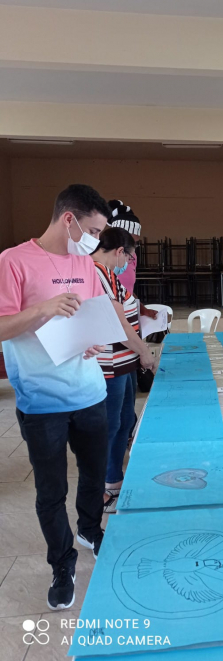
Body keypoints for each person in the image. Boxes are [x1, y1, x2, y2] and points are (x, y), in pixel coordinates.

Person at [0, 184, 111, 611]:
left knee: (93, 474)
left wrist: (94, 340)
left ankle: (89, 529)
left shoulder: (85, 264)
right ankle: (61, 564)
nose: (96, 241)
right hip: (42, 399)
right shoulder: (14, 261)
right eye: (94, 230)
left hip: (89, 392)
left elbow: (93, 313)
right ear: (69, 219)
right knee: (50, 491)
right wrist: (43, 308)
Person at [91, 228, 157, 513]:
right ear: (120, 251)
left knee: (122, 423)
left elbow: (127, 306)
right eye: (129, 257)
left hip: (124, 361)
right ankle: (106, 487)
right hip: (111, 364)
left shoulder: (109, 274)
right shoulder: (96, 273)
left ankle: (114, 481)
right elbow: (116, 323)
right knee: (112, 424)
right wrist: (144, 352)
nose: (128, 262)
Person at [107, 200, 156, 321]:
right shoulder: (101, 262)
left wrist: (143, 309)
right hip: (110, 318)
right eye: (129, 243)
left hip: (127, 315)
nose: (132, 250)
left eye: (135, 243)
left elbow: (126, 290)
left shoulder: (132, 256)